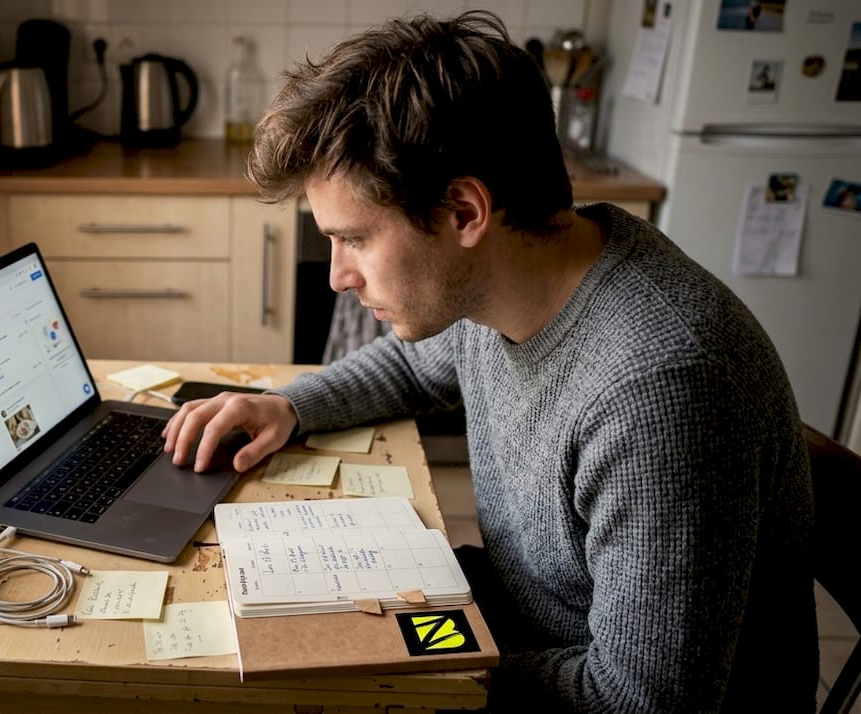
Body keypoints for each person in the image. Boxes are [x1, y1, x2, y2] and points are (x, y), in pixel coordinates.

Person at [162, 11, 817, 712]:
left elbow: (640, 701)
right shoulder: (521, 271)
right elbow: (417, 367)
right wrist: (291, 405)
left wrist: (404, 673)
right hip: (523, 625)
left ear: (466, 212)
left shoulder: (658, 389)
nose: (338, 276)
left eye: (353, 238)